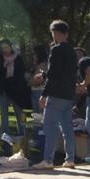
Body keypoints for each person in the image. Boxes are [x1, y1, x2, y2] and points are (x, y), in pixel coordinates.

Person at [32, 20, 78, 170]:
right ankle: (70, 158)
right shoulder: (72, 51)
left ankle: (48, 160)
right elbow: (66, 73)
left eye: (53, 33)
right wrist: (46, 75)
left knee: (49, 127)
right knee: (67, 128)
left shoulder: (56, 50)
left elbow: (54, 74)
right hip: (68, 94)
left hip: (56, 94)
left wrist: (44, 93)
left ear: (56, 33)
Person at [0, 41, 31, 137]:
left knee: (19, 113)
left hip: (16, 90)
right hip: (3, 90)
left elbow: (22, 74)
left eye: (7, 47)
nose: (5, 50)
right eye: (3, 48)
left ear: (10, 47)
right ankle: (5, 137)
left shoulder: (18, 58)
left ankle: (23, 135)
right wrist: (4, 67)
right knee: (4, 114)